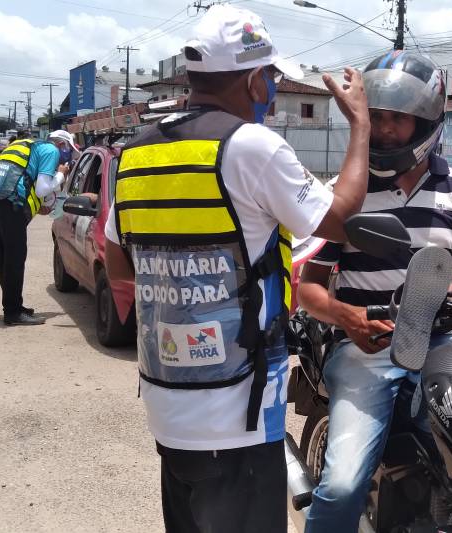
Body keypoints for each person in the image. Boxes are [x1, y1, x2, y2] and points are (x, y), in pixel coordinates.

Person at [104, 5, 371, 532]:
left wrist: (185, 290)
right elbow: (338, 217)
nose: (271, 89)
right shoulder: (250, 147)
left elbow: (118, 260)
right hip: (236, 413)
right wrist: (359, 125)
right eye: (270, 78)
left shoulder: (136, 152)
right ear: (253, 80)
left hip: (167, 403)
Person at [296, 50, 452, 533]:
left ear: (425, 122)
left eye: (398, 120)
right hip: (367, 349)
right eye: (377, 118)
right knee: (342, 485)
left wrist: (438, 297)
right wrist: (349, 319)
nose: (384, 129)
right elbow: (308, 290)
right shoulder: (349, 192)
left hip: (443, 345)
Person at [0, 130, 77, 325]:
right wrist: (61, 176)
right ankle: (13, 313)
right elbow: (42, 188)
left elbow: (23, 179)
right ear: (62, 145)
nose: (65, 157)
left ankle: (13, 305)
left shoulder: (24, 145)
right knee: (15, 258)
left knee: (4, 256)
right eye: (68, 151)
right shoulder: (51, 150)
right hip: (8, 202)